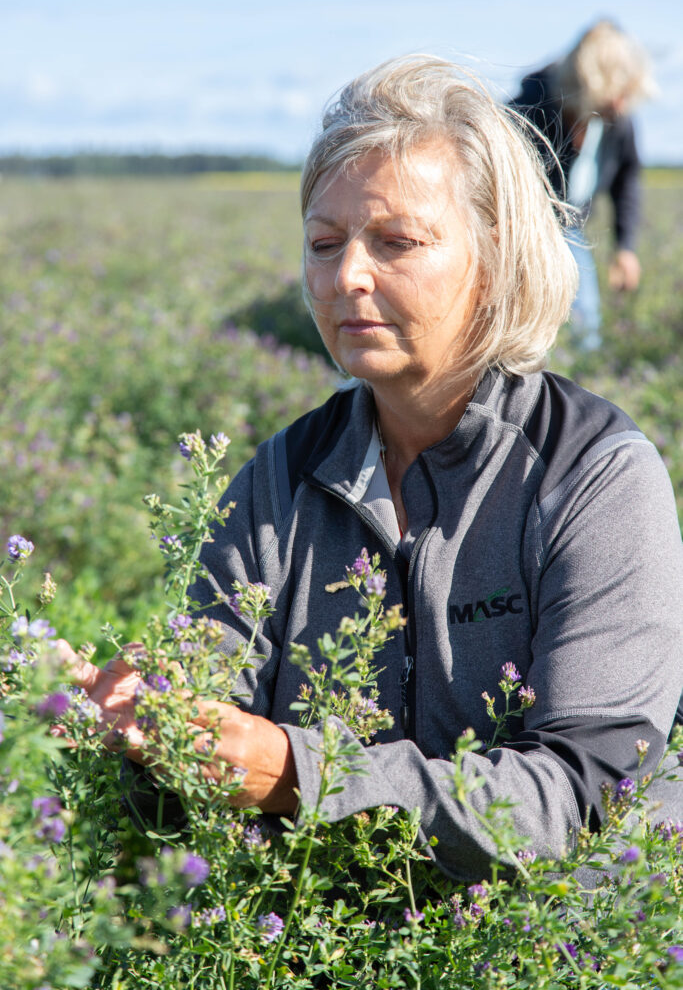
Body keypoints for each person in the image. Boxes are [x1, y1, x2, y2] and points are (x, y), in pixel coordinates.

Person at [57, 54, 683, 884]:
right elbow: (208, 741)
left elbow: (586, 791)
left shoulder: (593, 475)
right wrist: (139, 730)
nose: (346, 275)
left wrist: (298, 773)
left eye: (396, 242)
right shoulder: (281, 480)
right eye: (324, 243)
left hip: (540, 947)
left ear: (494, 258)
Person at [509, 20, 655, 351]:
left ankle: (581, 386)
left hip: (570, 227)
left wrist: (625, 247)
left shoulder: (617, 119)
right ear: (591, 84)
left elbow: (626, 179)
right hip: (521, 231)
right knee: (524, 331)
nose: (620, 106)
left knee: (586, 327)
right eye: (615, 94)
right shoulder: (532, 106)